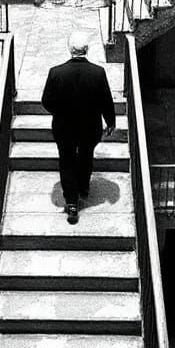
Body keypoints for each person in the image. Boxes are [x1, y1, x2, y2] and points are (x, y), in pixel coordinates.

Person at [41, 29, 116, 224]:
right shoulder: (98, 73)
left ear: (70, 49)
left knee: (66, 161)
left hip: (64, 127)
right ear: (87, 50)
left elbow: (46, 101)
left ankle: (72, 203)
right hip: (90, 127)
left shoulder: (56, 73)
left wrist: (60, 112)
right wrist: (110, 121)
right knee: (86, 155)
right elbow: (106, 100)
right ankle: (83, 186)